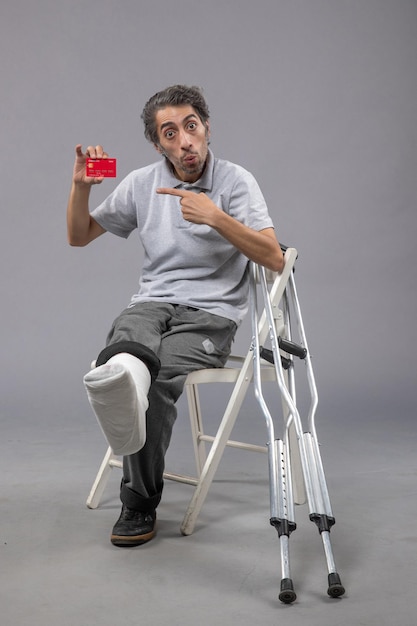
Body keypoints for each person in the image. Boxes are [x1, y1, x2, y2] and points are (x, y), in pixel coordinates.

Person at [67, 84, 284, 547]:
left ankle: (138, 502)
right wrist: (80, 188)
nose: (184, 140)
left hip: (210, 316)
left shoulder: (235, 182)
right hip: (151, 304)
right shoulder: (142, 184)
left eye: (191, 126)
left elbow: (274, 257)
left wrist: (216, 217)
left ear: (206, 127)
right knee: (129, 353)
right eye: (170, 132)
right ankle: (121, 377)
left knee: (158, 376)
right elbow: (79, 235)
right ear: (157, 143)